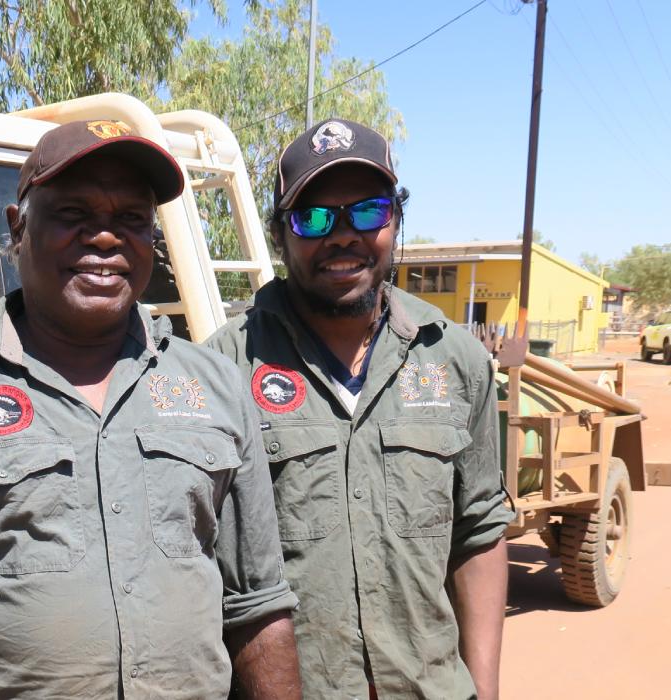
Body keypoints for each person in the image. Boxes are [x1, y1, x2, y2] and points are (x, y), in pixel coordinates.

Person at [0, 120, 301, 699]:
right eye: (74, 214)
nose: (104, 238)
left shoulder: (217, 388)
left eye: (130, 219)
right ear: (18, 227)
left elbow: (257, 604)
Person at [204, 118, 511, 700]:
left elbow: (480, 531)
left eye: (367, 212)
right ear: (280, 235)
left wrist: (486, 692)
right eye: (314, 218)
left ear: (396, 220)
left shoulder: (457, 361)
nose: (342, 236)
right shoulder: (224, 367)